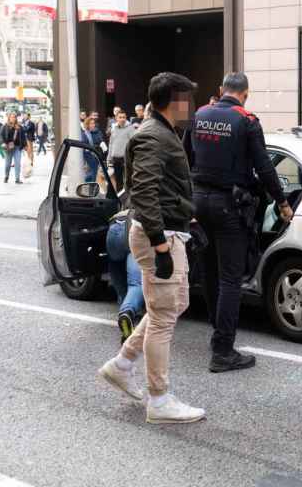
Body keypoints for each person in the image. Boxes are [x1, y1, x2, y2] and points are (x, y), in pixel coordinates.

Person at [97, 71, 204, 424]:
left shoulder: (163, 132)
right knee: (162, 316)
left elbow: (160, 188)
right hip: (159, 238)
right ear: (174, 101)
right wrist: (160, 246)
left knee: (175, 304)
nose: (192, 106)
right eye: (187, 99)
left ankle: (122, 364)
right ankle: (158, 400)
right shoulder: (153, 136)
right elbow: (143, 192)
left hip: (171, 234)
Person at [184, 72, 294, 373]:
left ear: (221, 90)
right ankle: (223, 351)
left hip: (199, 202)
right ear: (245, 94)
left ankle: (216, 334)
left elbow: (185, 158)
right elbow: (265, 168)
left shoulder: (200, 115)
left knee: (209, 272)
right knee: (231, 278)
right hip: (229, 206)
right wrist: (282, 203)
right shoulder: (246, 121)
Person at [106, 210, 145, 342]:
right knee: (136, 283)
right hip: (133, 229)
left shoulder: (132, 193)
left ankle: (124, 303)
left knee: (115, 265)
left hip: (114, 229)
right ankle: (127, 311)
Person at [107, 109, 136, 193]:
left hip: (126, 159)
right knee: (118, 180)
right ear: (116, 118)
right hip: (115, 158)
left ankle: (129, 199)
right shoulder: (114, 128)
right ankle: (120, 200)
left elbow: (134, 143)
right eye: (120, 117)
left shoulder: (130, 128)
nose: (122, 119)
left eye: (124, 117)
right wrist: (109, 158)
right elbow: (111, 144)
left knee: (128, 180)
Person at [0, 112, 26, 184]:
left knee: (17, 163)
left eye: (14, 117)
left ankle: (17, 179)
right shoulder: (5, 126)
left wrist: (25, 146)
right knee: (8, 164)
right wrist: (3, 143)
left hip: (17, 147)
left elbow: (23, 137)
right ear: (9, 118)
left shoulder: (19, 127)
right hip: (8, 147)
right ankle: (6, 176)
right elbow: (1, 135)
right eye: (11, 117)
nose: (13, 118)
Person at [80, 116, 104, 183]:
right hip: (87, 155)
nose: (93, 125)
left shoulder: (93, 133)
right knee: (93, 171)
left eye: (94, 123)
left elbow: (98, 141)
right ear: (87, 124)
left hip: (94, 154)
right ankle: (88, 183)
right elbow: (84, 146)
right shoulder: (84, 134)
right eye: (91, 123)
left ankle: (89, 183)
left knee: (94, 171)